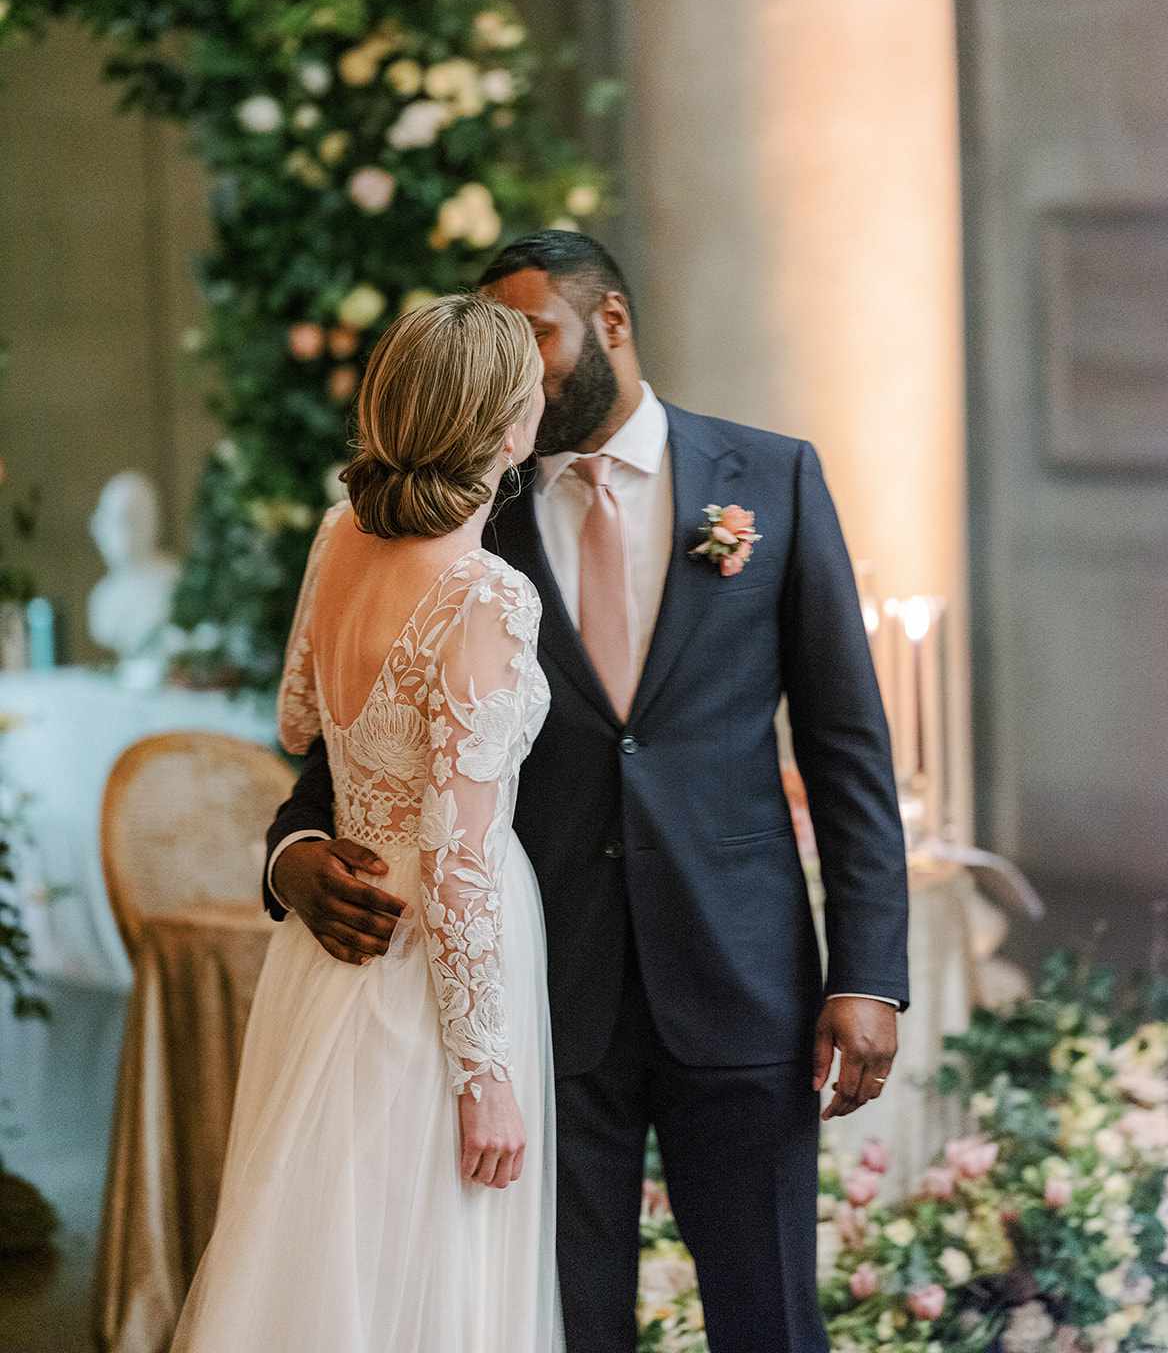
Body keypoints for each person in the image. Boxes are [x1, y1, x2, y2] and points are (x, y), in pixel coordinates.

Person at [265, 230, 911, 1353]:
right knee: (568, 1321)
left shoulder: (773, 478)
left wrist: (871, 972)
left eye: (540, 336)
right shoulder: (467, 511)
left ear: (609, 320)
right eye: (502, 344)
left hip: (740, 974)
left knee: (771, 1315)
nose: (525, 368)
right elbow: (340, 743)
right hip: (542, 991)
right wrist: (293, 854)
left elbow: (848, 745)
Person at [173, 295, 562, 1352]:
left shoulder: (339, 532)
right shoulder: (487, 594)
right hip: (431, 964)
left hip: (333, 936)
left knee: (325, 1244)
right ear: (508, 422)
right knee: (431, 1260)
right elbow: (460, 864)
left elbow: (300, 714)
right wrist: (487, 1077)